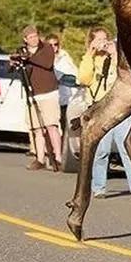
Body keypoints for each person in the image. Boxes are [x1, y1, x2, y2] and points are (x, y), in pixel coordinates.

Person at [78, 27, 131, 200]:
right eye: (98, 40)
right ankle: (99, 187)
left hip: (120, 107)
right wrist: (90, 54)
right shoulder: (91, 59)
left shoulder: (117, 58)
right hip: (101, 109)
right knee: (100, 150)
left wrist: (114, 55)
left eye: (105, 39)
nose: (103, 44)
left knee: (127, 148)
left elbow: (127, 78)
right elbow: (84, 78)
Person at [18, 25, 63, 171]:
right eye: (30, 37)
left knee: (51, 126)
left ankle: (58, 157)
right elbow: (13, 69)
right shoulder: (23, 51)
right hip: (33, 94)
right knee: (37, 129)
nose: (34, 39)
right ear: (25, 39)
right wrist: (16, 61)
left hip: (49, 92)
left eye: (35, 36)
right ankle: (40, 158)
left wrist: (29, 58)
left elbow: (47, 63)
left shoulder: (47, 48)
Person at [46, 33, 77, 132]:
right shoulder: (44, 60)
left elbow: (74, 77)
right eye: (50, 45)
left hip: (67, 99)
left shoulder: (64, 57)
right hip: (51, 98)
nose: (53, 47)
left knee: (65, 127)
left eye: (56, 44)